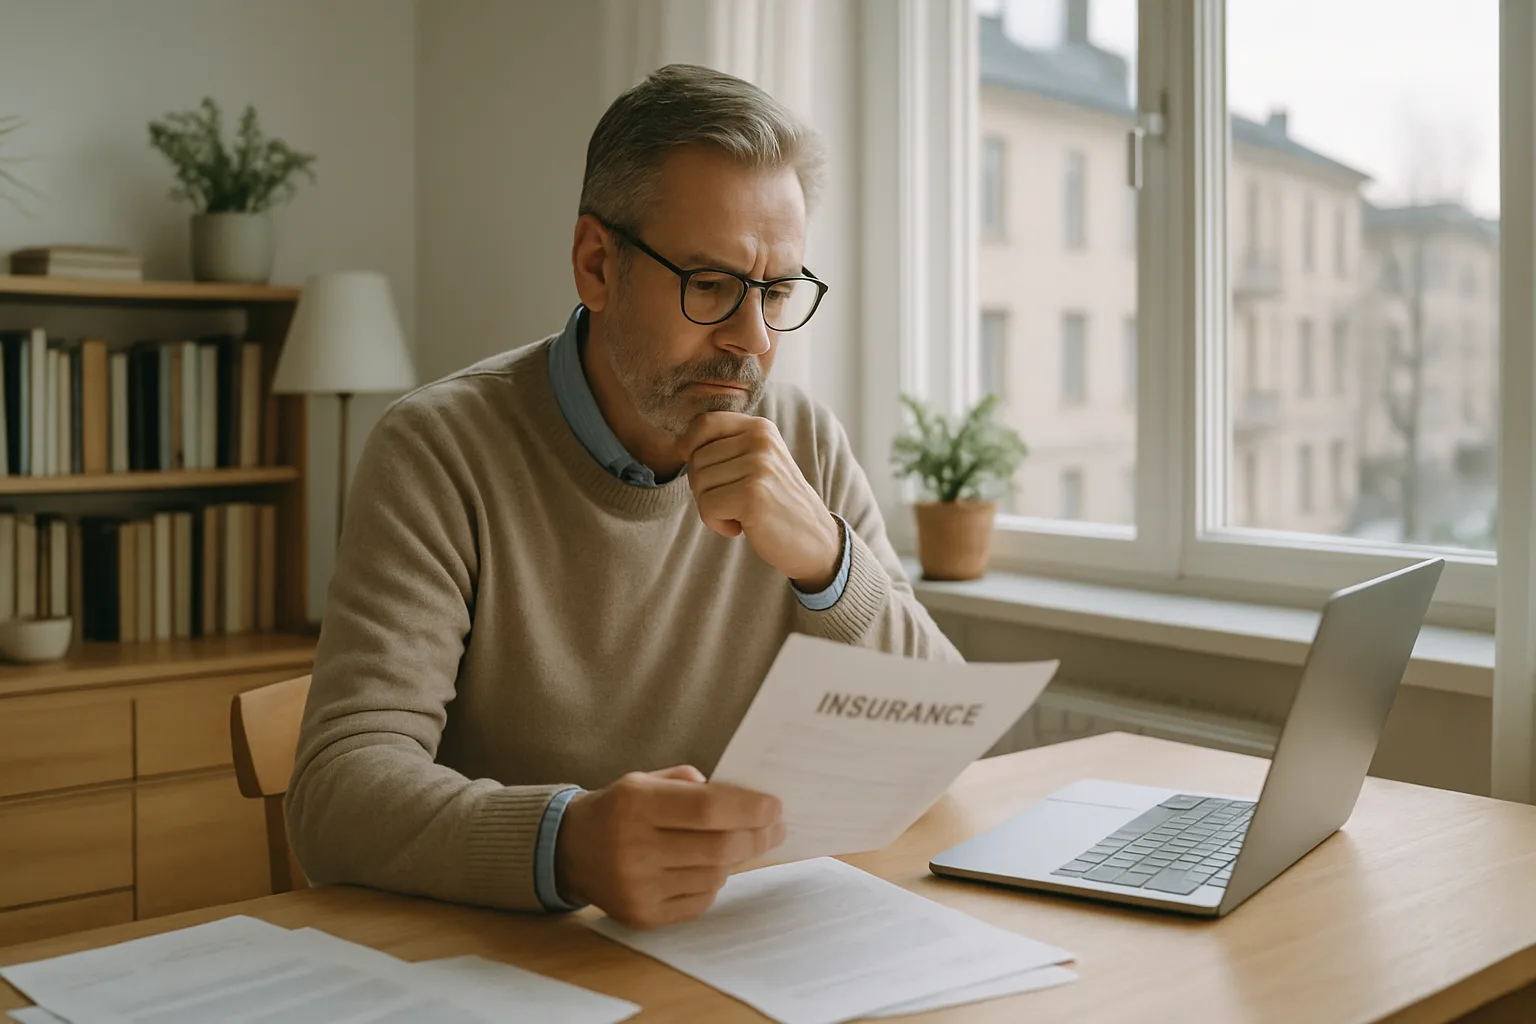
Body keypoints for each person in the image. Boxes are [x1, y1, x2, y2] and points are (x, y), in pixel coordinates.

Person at [286, 63, 961, 931]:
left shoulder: (802, 439)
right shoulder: (439, 452)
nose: (751, 344)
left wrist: (830, 564)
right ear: (596, 264)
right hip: (521, 963)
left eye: (779, 291)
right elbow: (336, 794)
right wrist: (566, 843)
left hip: (744, 947)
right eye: (711, 284)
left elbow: (939, 733)